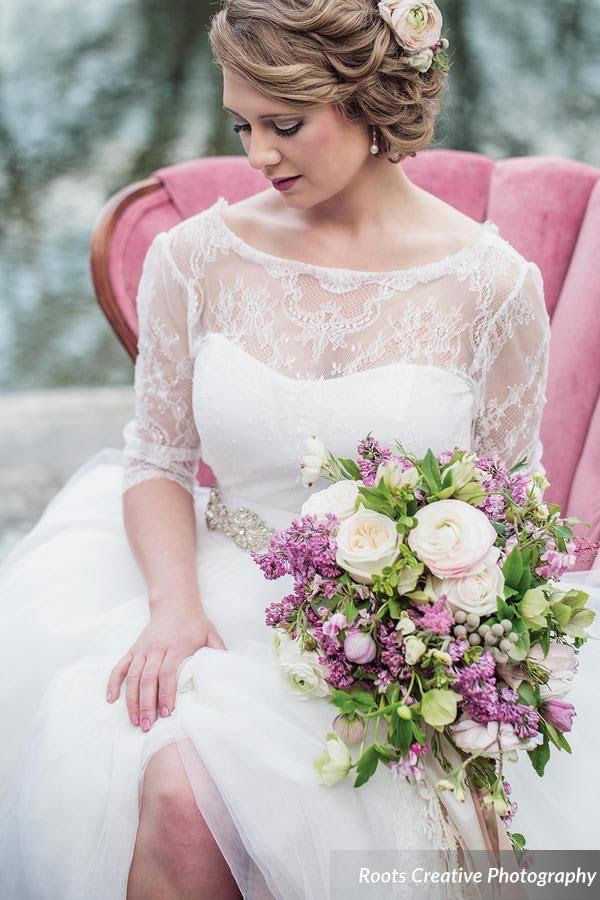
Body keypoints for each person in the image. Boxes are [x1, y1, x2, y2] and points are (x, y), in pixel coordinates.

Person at [0, 1, 599, 898]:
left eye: (285, 125)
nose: (257, 157)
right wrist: (173, 608)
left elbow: (507, 503)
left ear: (371, 104)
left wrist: (445, 649)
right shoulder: (193, 258)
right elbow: (157, 459)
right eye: (241, 126)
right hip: (213, 592)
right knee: (173, 782)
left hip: (399, 629)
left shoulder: (492, 285)